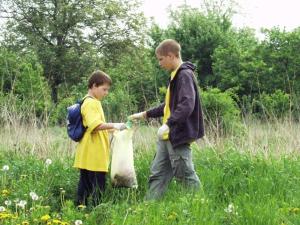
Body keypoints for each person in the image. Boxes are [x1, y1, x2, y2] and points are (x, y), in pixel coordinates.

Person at [129, 39, 204, 200]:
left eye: (161, 59)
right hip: (167, 135)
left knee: (185, 174)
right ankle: (149, 207)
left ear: (170, 56)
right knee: (158, 173)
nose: (159, 63)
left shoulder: (184, 74)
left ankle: (200, 206)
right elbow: (169, 105)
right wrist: (145, 114)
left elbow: (187, 104)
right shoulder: (175, 75)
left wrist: (169, 124)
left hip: (178, 134)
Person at [73, 70, 127, 206]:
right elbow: (95, 125)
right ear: (94, 85)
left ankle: (80, 211)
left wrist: (115, 129)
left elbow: (97, 125)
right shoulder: (91, 103)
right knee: (98, 187)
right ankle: (97, 213)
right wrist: (116, 124)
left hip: (88, 153)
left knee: (85, 186)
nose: (106, 93)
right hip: (94, 153)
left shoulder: (91, 101)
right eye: (104, 89)